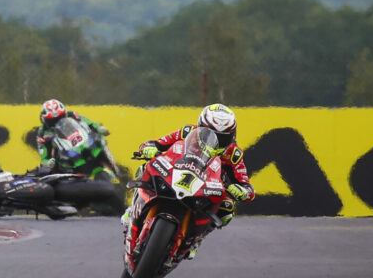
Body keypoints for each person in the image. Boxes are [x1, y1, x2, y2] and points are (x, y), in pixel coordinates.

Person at [124, 103, 254, 259]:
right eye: (209, 134)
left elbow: (246, 186)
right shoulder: (187, 132)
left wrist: (241, 191)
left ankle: (196, 239)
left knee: (227, 208)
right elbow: (158, 143)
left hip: (206, 187)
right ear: (200, 127)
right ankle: (133, 208)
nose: (217, 141)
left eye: (223, 137)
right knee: (145, 167)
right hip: (176, 173)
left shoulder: (233, 154)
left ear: (232, 136)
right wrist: (149, 148)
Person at [35, 98, 110, 173]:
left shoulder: (72, 115)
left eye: (60, 118)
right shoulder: (42, 133)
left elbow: (88, 122)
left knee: (99, 140)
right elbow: (43, 157)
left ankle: (112, 167)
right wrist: (48, 162)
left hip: (83, 145)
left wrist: (99, 127)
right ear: (44, 120)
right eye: (52, 121)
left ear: (65, 114)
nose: (57, 123)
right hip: (64, 158)